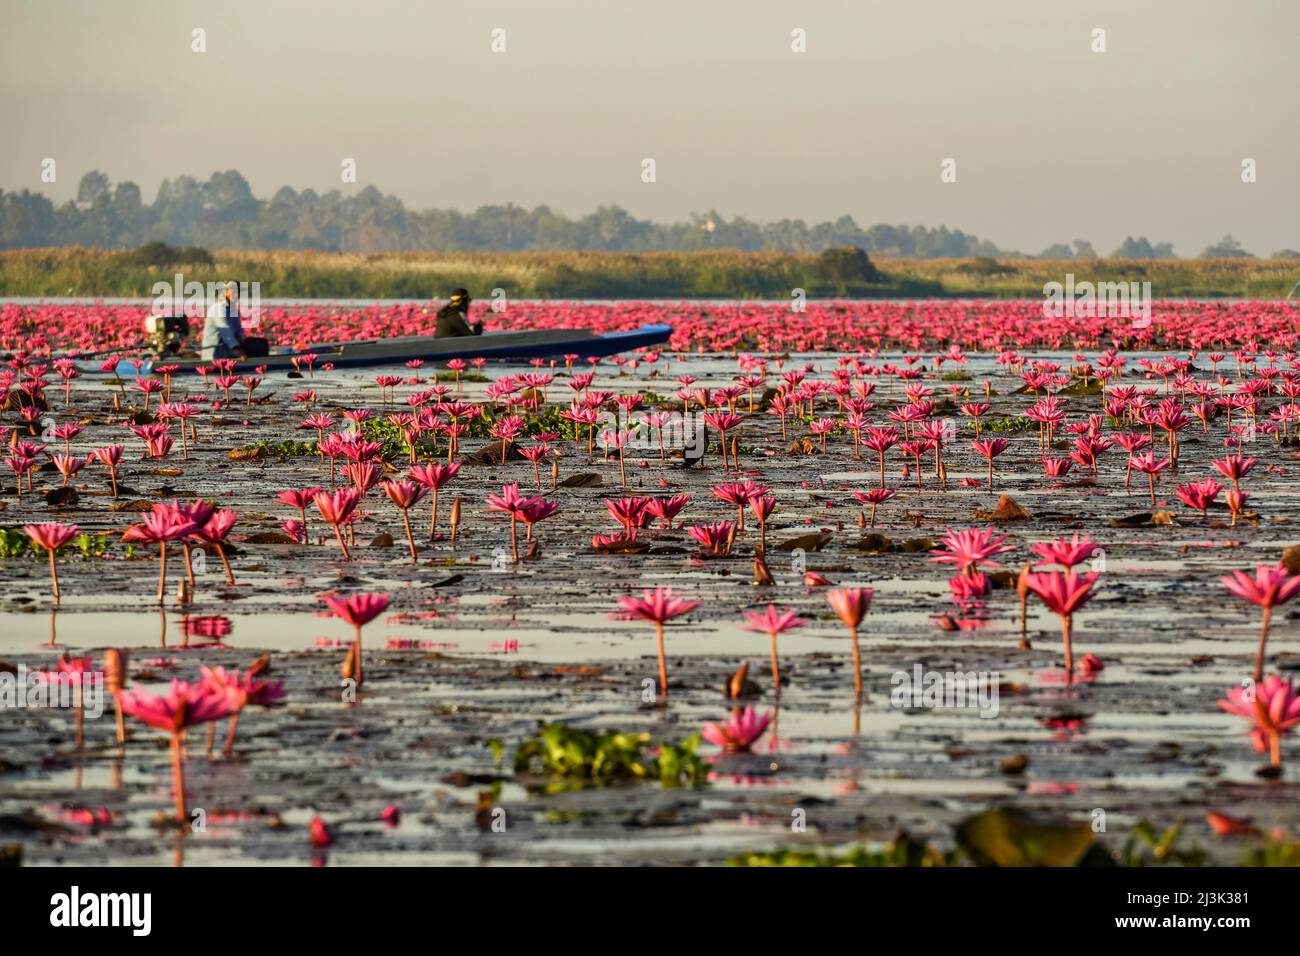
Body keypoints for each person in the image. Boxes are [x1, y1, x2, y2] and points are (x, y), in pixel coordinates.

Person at [201, 282, 245, 360]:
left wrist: (241, 339)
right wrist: (238, 350)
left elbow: (239, 330)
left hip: (228, 354)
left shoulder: (233, 310)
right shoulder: (217, 308)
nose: (237, 295)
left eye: (238, 292)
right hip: (213, 356)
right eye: (234, 291)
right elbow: (225, 332)